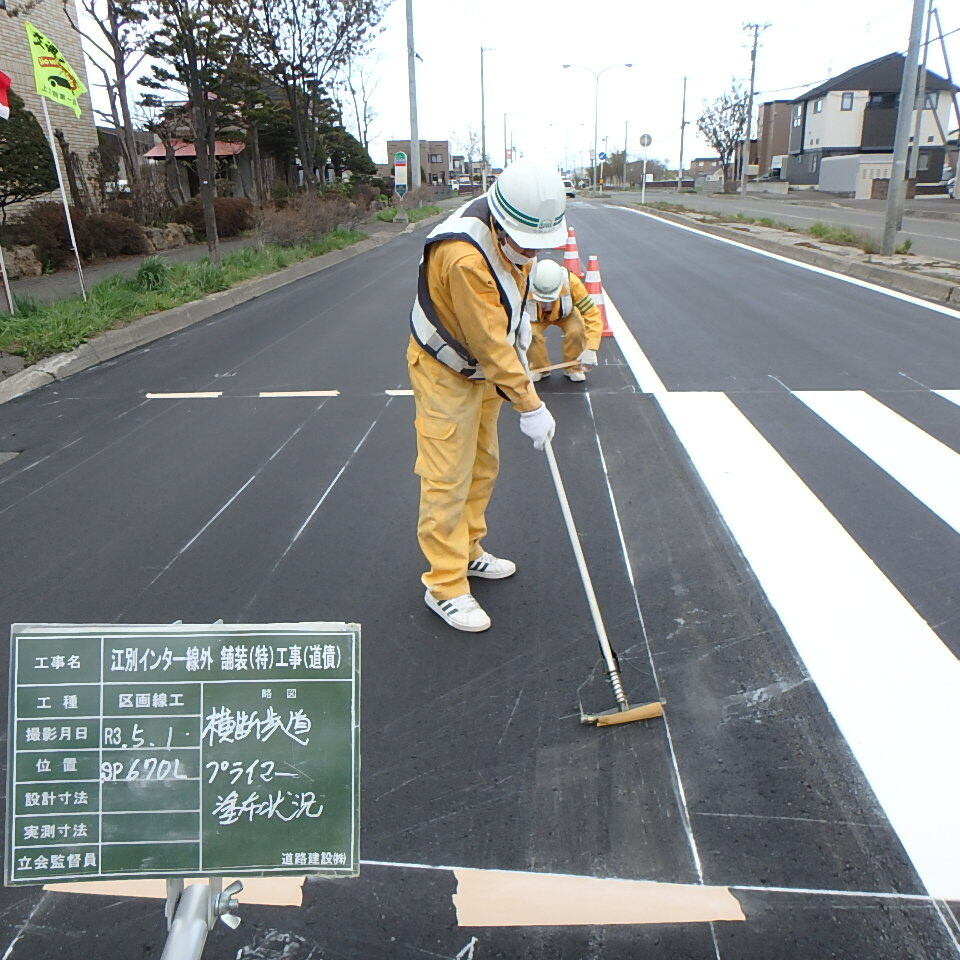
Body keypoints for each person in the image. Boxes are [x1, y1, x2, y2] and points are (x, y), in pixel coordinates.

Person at [408, 159, 568, 632]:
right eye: (525, 244)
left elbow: (509, 317)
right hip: (446, 368)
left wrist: (520, 348)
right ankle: (445, 584)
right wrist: (531, 403)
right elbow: (488, 342)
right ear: (500, 223)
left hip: (485, 370)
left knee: (482, 464)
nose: (531, 253)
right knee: (447, 475)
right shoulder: (463, 258)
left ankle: (468, 549)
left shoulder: (518, 234)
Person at [526, 258, 602, 383]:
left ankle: (573, 368)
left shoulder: (572, 282)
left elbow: (591, 313)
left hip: (565, 314)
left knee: (577, 330)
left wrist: (591, 348)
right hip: (536, 316)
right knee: (530, 334)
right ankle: (539, 368)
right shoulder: (523, 281)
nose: (546, 301)